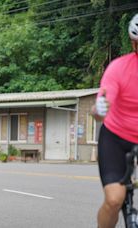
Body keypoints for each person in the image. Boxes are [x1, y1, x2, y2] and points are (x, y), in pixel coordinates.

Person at [93, 14, 138, 228]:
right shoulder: (119, 68)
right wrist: (99, 109)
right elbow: (103, 100)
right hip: (116, 138)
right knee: (114, 200)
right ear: (132, 43)